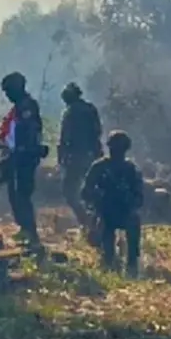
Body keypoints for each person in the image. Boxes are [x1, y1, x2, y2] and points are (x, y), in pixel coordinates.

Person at [0, 71, 46, 247]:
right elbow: (11, 134)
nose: (7, 95)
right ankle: (25, 230)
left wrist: (23, 150)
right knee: (15, 195)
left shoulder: (27, 107)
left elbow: (29, 133)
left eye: (9, 91)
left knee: (22, 195)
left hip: (25, 158)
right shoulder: (16, 109)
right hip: (16, 157)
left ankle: (31, 234)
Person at [81, 130, 144, 277]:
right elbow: (85, 192)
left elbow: (139, 196)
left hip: (124, 211)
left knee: (133, 222)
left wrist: (131, 202)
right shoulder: (99, 167)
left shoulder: (130, 169)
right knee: (106, 237)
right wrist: (96, 201)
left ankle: (132, 263)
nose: (117, 152)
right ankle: (109, 261)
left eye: (120, 148)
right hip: (105, 212)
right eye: (116, 148)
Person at [58, 82, 102, 229]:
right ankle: (94, 220)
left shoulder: (70, 112)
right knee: (93, 189)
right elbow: (97, 132)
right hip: (92, 155)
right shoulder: (90, 109)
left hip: (77, 156)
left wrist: (62, 156)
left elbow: (65, 137)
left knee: (69, 190)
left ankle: (86, 220)